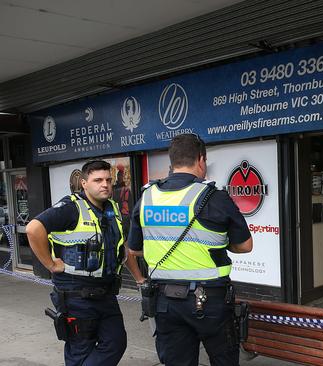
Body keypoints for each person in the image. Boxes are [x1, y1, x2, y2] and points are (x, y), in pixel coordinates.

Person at [128, 133, 253, 366]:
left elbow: (134, 250)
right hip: (209, 301)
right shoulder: (214, 197)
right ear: (201, 159)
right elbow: (245, 245)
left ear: (171, 162)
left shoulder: (147, 197)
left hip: (165, 301)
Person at [26, 160, 145, 366]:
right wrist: (51, 265)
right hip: (76, 294)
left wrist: (139, 279)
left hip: (106, 293)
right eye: (98, 180)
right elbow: (33, 229)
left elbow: (122, 247)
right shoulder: (70, 207)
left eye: (108, 179)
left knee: (116, 342)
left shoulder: (113, 208)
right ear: (84, 183)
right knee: (80, 351)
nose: (105, 184)